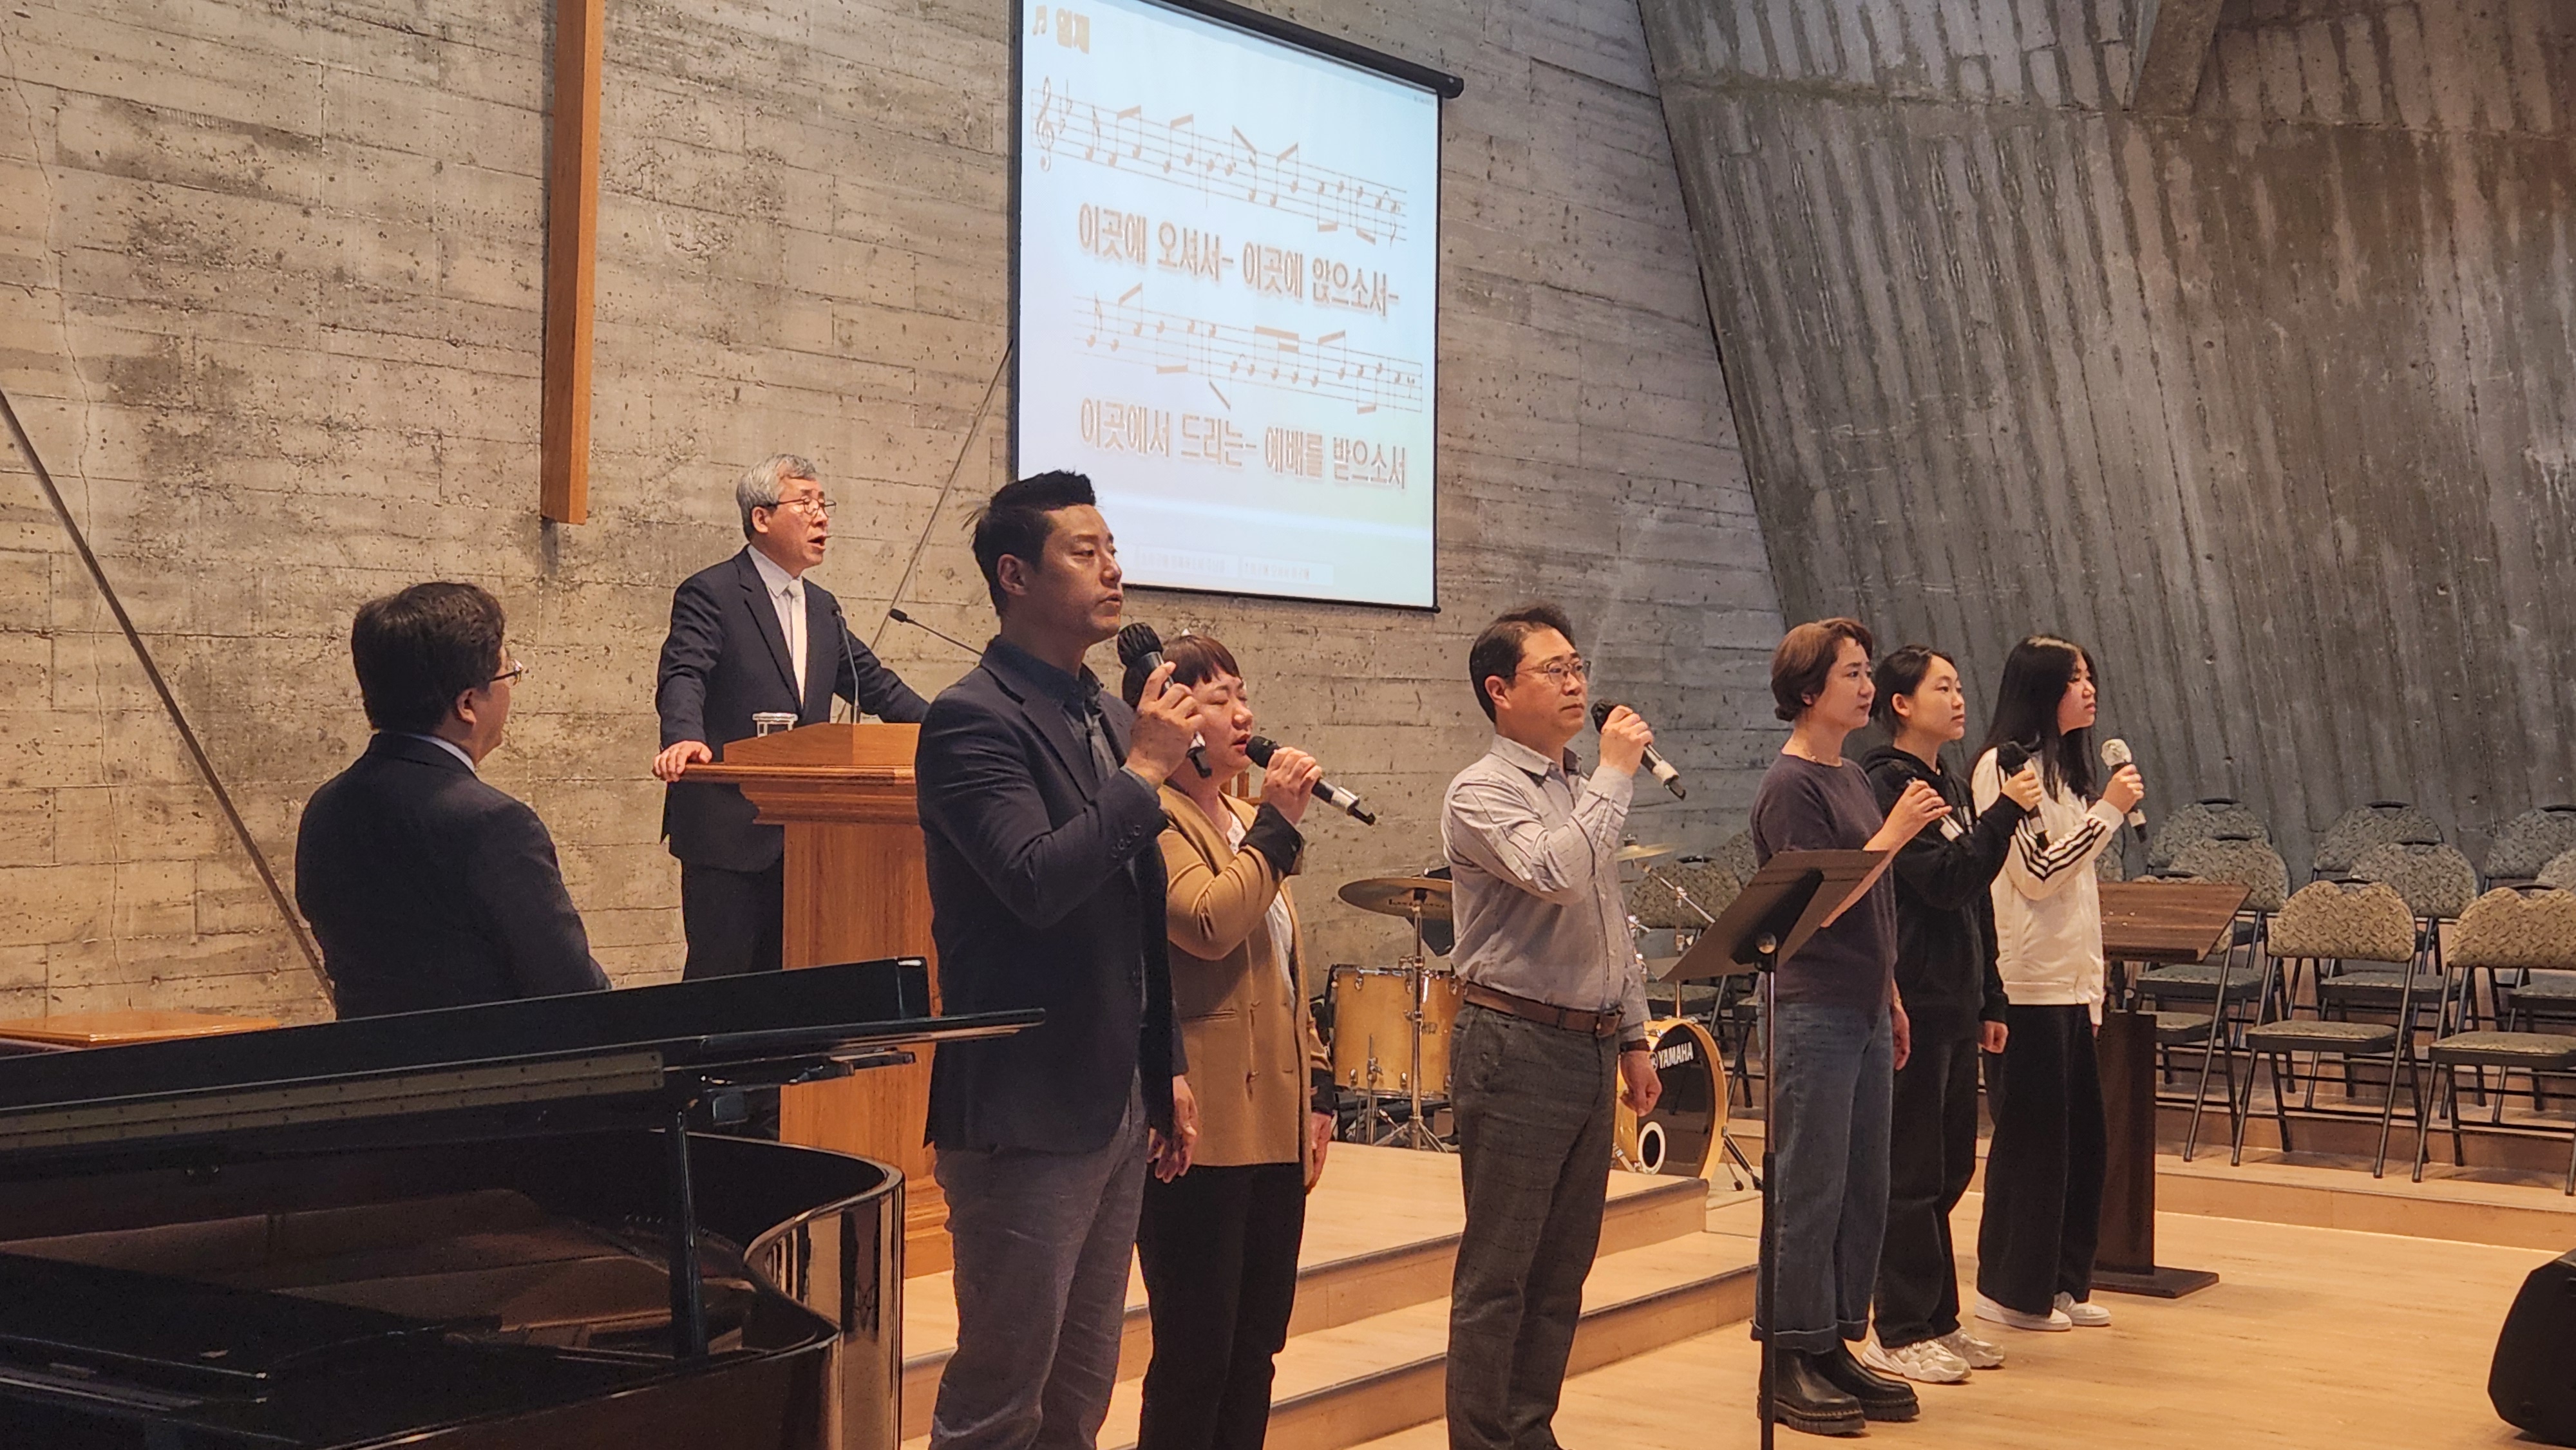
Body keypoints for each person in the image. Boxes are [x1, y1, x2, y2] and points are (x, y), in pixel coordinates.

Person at [916, 469, 1204, 1450]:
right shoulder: (972, 718)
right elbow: (1035, 881)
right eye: (1085, 552)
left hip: (1116, 1097)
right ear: (1015, 575)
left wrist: (1166, 1066)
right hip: (1025, 1106)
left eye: (1112, 548)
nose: (1113, 568)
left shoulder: (1110, 718)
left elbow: (1140, 911)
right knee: (1001, 1402)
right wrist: (1147, 771)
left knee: (1079, 1399)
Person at [1440, 602, 1663, 1450]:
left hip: (1592, 1042)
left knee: (1563, 1267)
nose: (1576, 683)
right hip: (1516, 1043)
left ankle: (1529, 1429)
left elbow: (1606, 919)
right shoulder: (1481, 790)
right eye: (1554, 669)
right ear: (1500, 690)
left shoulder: (1579, 786)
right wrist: (1614, 774)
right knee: (1501, 1271)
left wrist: (1635, 1036)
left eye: (1578, 667)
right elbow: (1557, 873)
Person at [1121, 633, 1334, 1450]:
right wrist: (1276, 828)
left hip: (1275, 1120)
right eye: (1218, 699)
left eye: (1242, 694)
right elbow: (1208, 923)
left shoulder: (1245, 818)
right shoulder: (1155, 817)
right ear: (1172, 716)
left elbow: (1286, 967)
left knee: (1255, 1347)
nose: (1242, 714)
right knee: (1196, 1352)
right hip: (1199, 1127)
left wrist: (1320, 1087)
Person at [1745, 617, 1949, 1436]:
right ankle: (1787, 1353)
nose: (1867, 688)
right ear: (1808, 690)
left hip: (1863, 1003)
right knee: (1810, 1185)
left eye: (1867, 672)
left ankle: (1832, 1339)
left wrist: (1891, 992)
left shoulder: (1853, 777)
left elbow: (1878, 905)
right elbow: (1817, 906)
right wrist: (1895, 833)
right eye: (1851, 674)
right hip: (1811, 1007)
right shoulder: (1789, 784)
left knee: (1863, 1183)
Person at [652, 454, 927, 980]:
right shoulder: (713, 592)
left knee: (796, 981)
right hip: (730, 828)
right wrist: (683, 736)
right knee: (721, 984)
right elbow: (684, 672)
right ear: (761, 517)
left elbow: (877, 686)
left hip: (809, 837)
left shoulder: (822, 607)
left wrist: (952, 733)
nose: (822, 517)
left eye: (824, 504)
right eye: (805, 504)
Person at [1857, 646, 2042, 1386]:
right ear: (1901, 703)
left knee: (1949, 1167)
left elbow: (1976, 897)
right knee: (1909, 1170)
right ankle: (1897, 1329)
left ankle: (1938, 1317)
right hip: (1913, 995)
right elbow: (1939, 879)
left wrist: (1991, 995)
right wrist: (2006, 811)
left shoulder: (1948, 784)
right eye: (1943, 687)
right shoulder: (1887, 782)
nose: (1960, 698)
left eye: (1962, 686)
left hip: (1957, 998)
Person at [296, 581, 607, 1018]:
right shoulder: (494, 824)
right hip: (494, 1057)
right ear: (467, 704)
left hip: (364, 1055)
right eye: (508, 675)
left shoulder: (326, 807)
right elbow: (570, 989)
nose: (511, 688)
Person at [1969, 635, 2144, 1334]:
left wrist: (2093, 990)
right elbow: (2038, 873)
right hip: (2027, 986)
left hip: (2070, 987)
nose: (2089, 688)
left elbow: (2082, 898)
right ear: (2040, 691)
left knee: (2082, 1145)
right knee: (2033, 1146)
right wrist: (2109, 812)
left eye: (2090, 675)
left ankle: (2064, 1281)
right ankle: (2008, 1291)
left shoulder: (2066, 773)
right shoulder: (2003, 767)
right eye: (2074, 678)